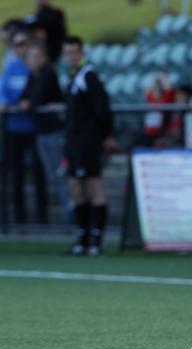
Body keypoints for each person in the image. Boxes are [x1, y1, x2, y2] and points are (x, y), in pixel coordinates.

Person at [62, 36, 117, 256]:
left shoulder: (89, 76)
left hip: (87, 141)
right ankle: (83, 237)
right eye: (67, 53)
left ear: (82, 52)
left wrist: (106, 135)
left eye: (74, 52)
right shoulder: (73, 77)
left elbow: (102, 109)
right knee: (76, 188)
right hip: (74, 141)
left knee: (93, 186)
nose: (71, 57)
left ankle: (96, 238)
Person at [0, 28, 48, 224]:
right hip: (14, 129)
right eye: (17, 44)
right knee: (17, 175)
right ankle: (19, 219)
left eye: (24, 43)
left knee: (39, 173)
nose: (21, 48)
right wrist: (5, 102)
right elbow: (3, 91)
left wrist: (28, 102)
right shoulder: (11, 67)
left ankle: (42, 217)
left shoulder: (36, 67)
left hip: (35, 129)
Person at [20, 43, 71, 222]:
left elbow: (34, 100)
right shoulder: (33, 76)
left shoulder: (48, 74)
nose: (36, 60)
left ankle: (72, 215)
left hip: (54, 132)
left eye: (39, 56)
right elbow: (24, 98)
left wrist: (30, 103)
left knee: (60, 173)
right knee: (53, 175)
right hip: (43, 132)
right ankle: (69, 213)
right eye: (32, 57)